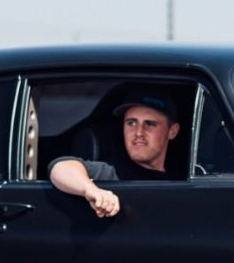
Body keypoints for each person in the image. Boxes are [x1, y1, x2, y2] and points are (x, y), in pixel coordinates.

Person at [49, 88, 181, 218]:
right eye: (131, 123)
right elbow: (60, 167)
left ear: (172, 131)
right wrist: (91, 190)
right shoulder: (114, 173)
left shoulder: (181, 178)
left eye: (150, 124)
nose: (139, 132)